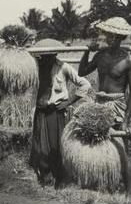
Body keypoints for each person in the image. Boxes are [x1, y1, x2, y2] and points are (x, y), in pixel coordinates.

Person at [78, 17, 131, 192]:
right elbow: (82, 72)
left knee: (121, 147)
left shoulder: (128, 61)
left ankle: (129, 191)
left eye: (115, 36)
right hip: (99, 102)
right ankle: (100, 185)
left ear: (121, 38)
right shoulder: (100, 56)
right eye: (108, 36)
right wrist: (87, 52)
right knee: (97, 143)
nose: (110, 39)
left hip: (116, 104)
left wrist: (127, 119)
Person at [29, 39, 91, 189]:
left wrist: (69, 102)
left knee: (58, 145)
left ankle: (62, 179)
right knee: (40, 146)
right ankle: (45, 177)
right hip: (41, 112)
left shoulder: (63, 67)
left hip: (56, 112)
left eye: (49, 55)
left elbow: (85, 84)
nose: (45, 58)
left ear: (55, 54)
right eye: (42, 56)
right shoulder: (34, 68)